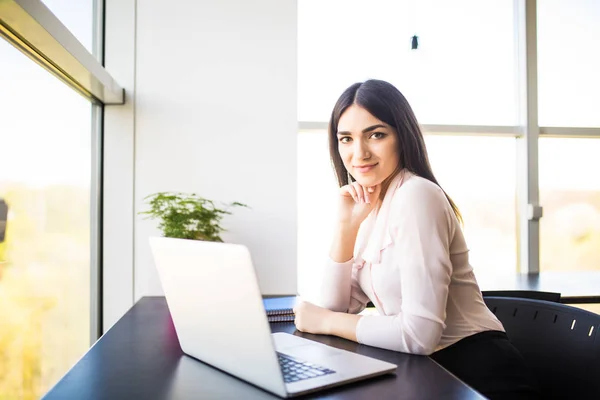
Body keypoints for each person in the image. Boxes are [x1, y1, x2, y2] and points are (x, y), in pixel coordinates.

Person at [293, 79, 540, 399]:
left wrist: (326, 322)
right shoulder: (372, 202)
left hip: (477, 376)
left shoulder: (417, 196)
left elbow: (419, 333)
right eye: (346, 139)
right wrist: (345, 227)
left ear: (402, 136)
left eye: (376, 134)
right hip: (426, 370)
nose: (358, 153)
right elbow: (336, 306)